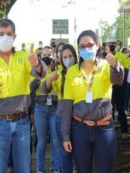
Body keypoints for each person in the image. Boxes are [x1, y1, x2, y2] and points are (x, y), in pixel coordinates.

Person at [0, 18, 44, 173]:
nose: (5, 37)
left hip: (22, 122)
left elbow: (41, 73)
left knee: (23, 168)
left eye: (9, 34)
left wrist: (37, 64)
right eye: (1, 34)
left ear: (15, 36)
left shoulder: (24, 57)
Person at [60, 30, 124, 172]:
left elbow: (118, 79)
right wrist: (65, 136)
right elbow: (66, 107)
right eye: (82, 46)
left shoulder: (106, 65)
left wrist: (116, 65)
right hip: (80, 129)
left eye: (89, 44)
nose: (86, 48)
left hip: (104, 128)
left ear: (98, 45)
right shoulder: (71, 71)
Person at [44, 43, 78, 173]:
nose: (68, 59)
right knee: (65, 152)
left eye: (70, 56)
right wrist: (50, 78)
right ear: (61, 59)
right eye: (65, 57)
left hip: (79, 118)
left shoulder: (82, 72)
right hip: (62, 118)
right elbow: (45, 89)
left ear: (75, 56)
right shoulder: (58, 74)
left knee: (80, 152)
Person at [32, 46, 61, 173]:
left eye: (50, 54)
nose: (47, 56)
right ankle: (40, 168)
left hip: (55, 109)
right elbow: (29, 90)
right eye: (44, 54)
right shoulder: (35, 71)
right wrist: (37, 79)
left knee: (56, 141)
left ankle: (56, 167)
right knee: (42, 141)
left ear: (53, 56)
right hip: (40, 109)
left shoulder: (58, 71)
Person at [106, 36, 129, 139]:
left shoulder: (121, 56)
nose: (111, 45)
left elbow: (127, 70)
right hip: (108, 90)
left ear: (116, 44)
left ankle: (124, 131)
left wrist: (122, 82)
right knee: (109, 111)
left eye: (113, 43)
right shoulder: (103, 57)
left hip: (119, 88)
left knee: (121, 110)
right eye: (109, 43)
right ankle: (110, 133)